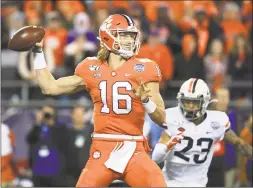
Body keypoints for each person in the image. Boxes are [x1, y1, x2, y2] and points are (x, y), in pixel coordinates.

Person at [32, 14, 167, 187]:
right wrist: (37, 52)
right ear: (107, 36)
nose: (129, 40)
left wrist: (146, 101)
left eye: (131, 36)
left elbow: (162, 119)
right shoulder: (91, 67)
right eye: (123, 35)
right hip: (102, 149)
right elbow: (49, 87)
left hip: (134, 149)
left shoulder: (145, 68)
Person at [152, 78, 252, 187]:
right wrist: (168, 145)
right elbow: (156, 158)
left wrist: (245, 147)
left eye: (194, 102)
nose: (190, 106)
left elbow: (239, 143)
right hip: (170, 183)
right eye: (186, 101)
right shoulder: (172, 117)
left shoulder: (217, 121)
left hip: (197, 184)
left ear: (205, 101)